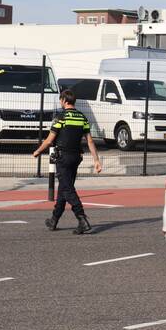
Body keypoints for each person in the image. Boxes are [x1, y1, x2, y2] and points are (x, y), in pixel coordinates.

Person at [32, 89, 102, 234]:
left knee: (68, 189)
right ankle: (54, 220)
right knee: (65, 188)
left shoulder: (61, 117)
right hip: (76, 157)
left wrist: (38, 151)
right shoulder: (82, 117)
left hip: (63, 157)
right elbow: (89, 141)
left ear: (64, 100)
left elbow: (50, 140)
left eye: (60, 100)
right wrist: (96, 160)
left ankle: (82, 218)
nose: (60, 102)